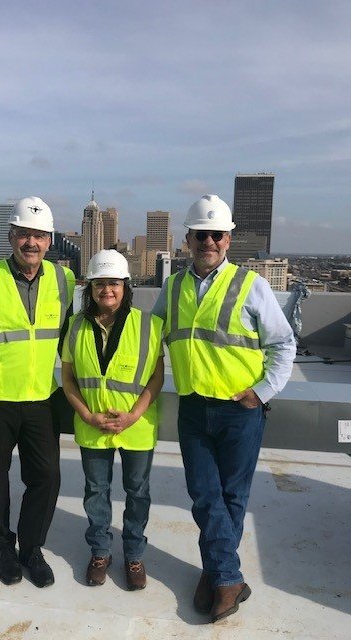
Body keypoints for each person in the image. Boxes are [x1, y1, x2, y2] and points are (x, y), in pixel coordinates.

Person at [152, 194, 296, 622]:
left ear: (228, 239)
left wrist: (262, 391)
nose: (208, 241)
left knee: (231, 496)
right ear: (188, 239)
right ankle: (226, 576)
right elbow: (150, 335)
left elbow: (283, 344)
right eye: (201, 235)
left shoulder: (252, 286)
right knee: (204, 495)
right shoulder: (174, 286)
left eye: (217, 234)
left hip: (240, 410)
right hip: (194, 407)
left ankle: (219, 574)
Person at [0, 196, 75, 588]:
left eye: (39, 235)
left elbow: (73, 342)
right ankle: (4, 548)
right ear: (11, 236)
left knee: (48, 477)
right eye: (24, 234)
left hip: (41, 399)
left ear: (49, 239)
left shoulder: (63, 280)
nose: (31, 242)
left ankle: (31, 549)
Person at [61, 250, 164, 590]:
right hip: (92, 426)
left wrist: (133, 415)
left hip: (136, 428)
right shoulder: (76, 326)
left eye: (114, 283)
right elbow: (69, 378)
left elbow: (156, 378)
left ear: (125, 286)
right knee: (96, 491)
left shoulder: (149, 325)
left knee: (137, 492)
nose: (107, 290)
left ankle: (134, 555)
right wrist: (87, 414)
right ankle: (101, 552)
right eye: (100, 283)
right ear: (90, 287)